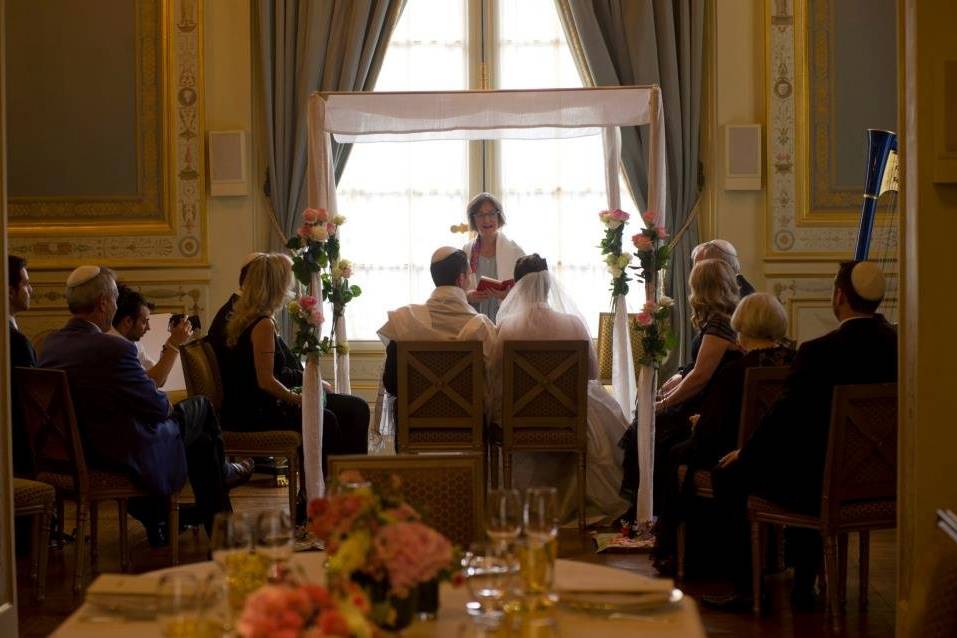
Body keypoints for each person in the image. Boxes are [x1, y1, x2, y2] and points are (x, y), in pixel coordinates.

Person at [707, 260, 897, 611]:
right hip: (881, 485)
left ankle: (748, 589)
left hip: (818, 487)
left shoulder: (820, 352)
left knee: (729, 474)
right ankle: (803, 583)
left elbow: (785, 419)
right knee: (806, 459)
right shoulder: (898, 345)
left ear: (839, 296)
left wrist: (746, 453)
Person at [40, 266, 247, 544]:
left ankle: (187, 518)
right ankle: (220, 515)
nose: (115, 306)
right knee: (202, 410)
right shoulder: (114, 349)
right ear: (103, 303)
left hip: (72, 455)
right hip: (120, 454)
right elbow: (159, 407)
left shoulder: (50, 344)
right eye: (113, 300)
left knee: (202, 440)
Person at [651, 293, 796, 574]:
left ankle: (685, 554)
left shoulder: (736, 371)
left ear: (742, 325)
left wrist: (698, 422)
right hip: (783, 455)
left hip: (737, 456)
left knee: (675, 451)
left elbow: (714, 429)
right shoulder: (794, 362)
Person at [492, 254, 630, 524]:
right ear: (547, 285)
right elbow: (590, 375)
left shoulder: (507, 328)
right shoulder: (574, 324)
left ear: (516, 288)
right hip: (568, 416)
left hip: (520, 421)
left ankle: (513, 506)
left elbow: (497, 375)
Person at [219, 253, 369, 482]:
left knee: (356, 407)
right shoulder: (263, 325)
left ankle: (348, 482)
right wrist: (300, 399)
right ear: (274, 286)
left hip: (253, 405)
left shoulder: (247, 317)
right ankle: (327, 489)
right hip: (256, 413)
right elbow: (265, 381)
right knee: (326, 419)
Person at [620, 258, 743, 508]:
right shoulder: (722, 318)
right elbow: (693, 372)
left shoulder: (720, 323)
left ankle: (651, 508)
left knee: (648, 427)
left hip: (708, 408)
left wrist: (664, 404)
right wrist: (668, 390)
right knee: (644, 424)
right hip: (708, 400)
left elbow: (700, 376)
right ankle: (648, 506)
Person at [377, 247, 497, 437]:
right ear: (460, 279)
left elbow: (391, 383)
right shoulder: (481, 327)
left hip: (414, 422)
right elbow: (496, 379)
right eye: (469, 275)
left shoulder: (405, 320)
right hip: (468, 423)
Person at [109, 284, 193, 387]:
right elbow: (153, 382)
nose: (148, 328)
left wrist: (170, 343)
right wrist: (174, 344)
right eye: (144, 322)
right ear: (128, 321)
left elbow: (159, 378)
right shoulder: (116, 349)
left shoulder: (132, 342)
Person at [462, 193, 525, 322]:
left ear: (499, 216)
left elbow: (528, 291)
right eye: (480, 215)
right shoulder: (466, 251)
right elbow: (457, 290)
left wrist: (507, 295)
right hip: (475, 320)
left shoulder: (515, 251)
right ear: (473, 219)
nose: (486, 220)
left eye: (491, 214)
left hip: (507, 319)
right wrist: (468, 296)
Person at [8, 255, 36, 477]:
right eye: (26, 284)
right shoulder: (15, 343)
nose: (31, 290)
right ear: (9, 291)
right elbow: (31, 406)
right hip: (19, 454)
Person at [691, 239, 755, 298]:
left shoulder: (744, 298)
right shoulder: (716, 289)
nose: (695, 272)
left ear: (721, 266)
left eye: (699, 267)